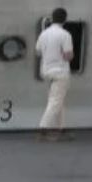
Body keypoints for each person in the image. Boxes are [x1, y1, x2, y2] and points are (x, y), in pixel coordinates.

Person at [35, 8, 75, 141]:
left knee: (59, 100)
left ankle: (60, 128)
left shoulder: (44, 34)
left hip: (46, 70)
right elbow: (68, 55)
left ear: (52, 18)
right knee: (56, 101)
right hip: (60, 72)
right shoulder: (65, 35)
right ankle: (43, 129)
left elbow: (38, 52)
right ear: (65, 19)